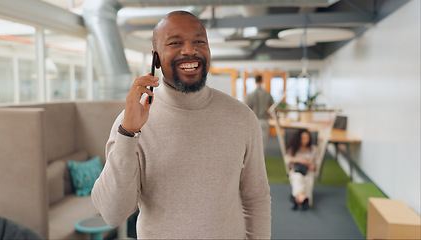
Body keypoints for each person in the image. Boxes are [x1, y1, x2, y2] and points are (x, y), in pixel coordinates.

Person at [91, 10, 271, 239]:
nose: (189, 50)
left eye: (199, 41)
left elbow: (256, 198)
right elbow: (111, 213)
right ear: (155, 58)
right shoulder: (130, 123)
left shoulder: (241, 117)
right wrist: (129, 133)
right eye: (175, 43)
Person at [284, 129, 319, 210]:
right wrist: (301, 160)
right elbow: (287, 159)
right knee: (298, 178)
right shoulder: (293, 148)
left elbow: (316, 164)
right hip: (296, 170)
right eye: (303, 138)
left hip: (308, 171)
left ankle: (298, 198)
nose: (305, 140)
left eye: (307, 138)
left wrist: (310, 165)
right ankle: (302, 198)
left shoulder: (314, 149)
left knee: (307, 181)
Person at [245, 75, 274, 151]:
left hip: (253, 122)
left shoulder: (250, 95)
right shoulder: (267, 94)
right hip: (264, 121)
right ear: (262, 81)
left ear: (255, 81)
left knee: (253, 144)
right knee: (262, 145)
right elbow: (273, 108)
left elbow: (246, 109)